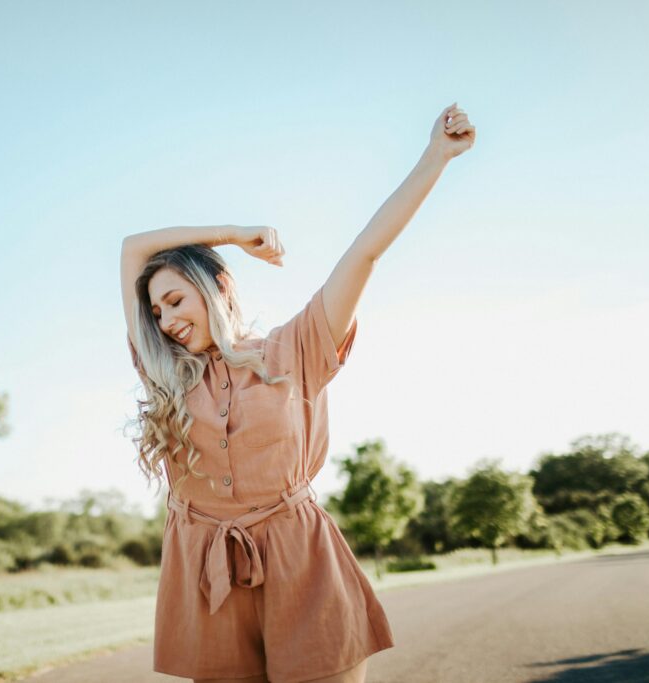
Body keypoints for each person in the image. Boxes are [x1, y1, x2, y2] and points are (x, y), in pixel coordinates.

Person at [120, 104, 476, 683]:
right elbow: (132, 248)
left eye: (176, 300)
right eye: (155, 310)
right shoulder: (166, 373)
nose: (164, 321)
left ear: (218, 289)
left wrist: (435, 156)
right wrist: (232, 234)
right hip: (207, 571)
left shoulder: (295, 348)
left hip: (301, 560)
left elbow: (365, 252)